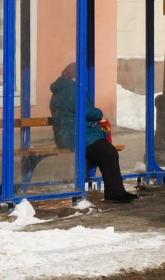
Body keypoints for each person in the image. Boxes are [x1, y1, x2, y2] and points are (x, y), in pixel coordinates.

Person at [49, 63, 137, 203]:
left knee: (107, 153)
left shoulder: (61, 90)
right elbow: (89, 112)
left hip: (69, 136)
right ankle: (115, 192)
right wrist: (99, 112)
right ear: (75, 76)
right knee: (109, 153)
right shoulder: (73, 90)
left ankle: (115, 191)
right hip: (77, 136)